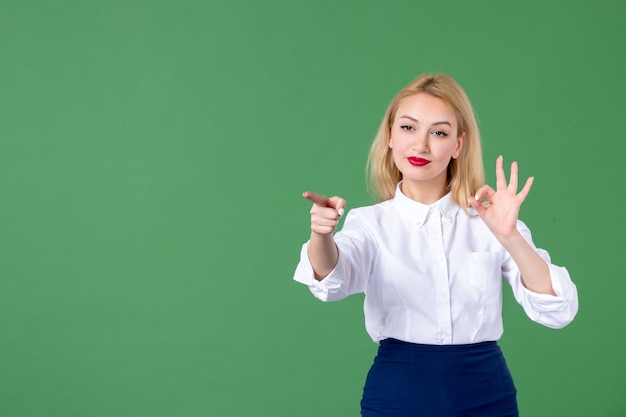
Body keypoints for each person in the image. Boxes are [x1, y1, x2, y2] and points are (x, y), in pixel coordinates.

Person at [292, 73, 578, 417]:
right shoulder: (369, 223)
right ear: (389, 136)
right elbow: (330, 278)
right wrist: (321, 235)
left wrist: (510, 236)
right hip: (398, 393)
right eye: (408, 128)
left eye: (439, 132)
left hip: (486, 393)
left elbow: (559, 311)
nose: (420, 145)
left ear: (458, 144)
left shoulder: (490, 222)